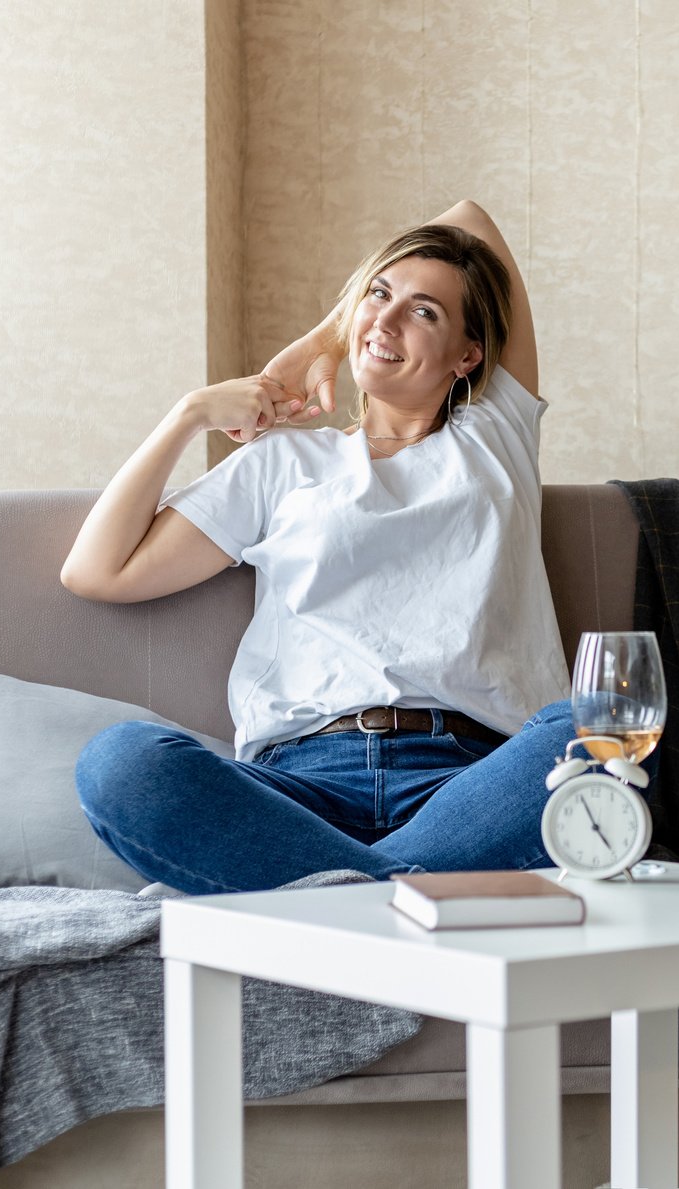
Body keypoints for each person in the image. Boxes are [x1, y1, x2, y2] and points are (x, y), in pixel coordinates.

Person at [62, 200, 576, 896]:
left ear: (468, 354)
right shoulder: (283, 464)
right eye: (378, 295)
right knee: (120, 762)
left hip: (469, 778)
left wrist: (326, 340)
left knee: (592, 732)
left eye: (423, 312)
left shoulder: (496, 436)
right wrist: (190, 414)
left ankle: (338, 901)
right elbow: (98, 570)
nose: (387, 320)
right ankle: (404, 896)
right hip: (298, 785)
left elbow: (472, 218)